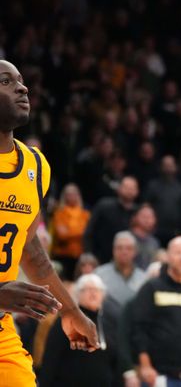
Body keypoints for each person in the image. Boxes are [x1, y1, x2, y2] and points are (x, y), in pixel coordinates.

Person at [0, 60, 99, 385]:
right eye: (5, 81)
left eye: (21, 80)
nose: (22, 87)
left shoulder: (35, 166)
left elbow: (29, 246)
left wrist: (70, 310)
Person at [131, 236, 181, 386]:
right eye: (177, 252)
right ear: (167, 256)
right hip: (160, 375)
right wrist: (145, 365)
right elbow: (138, 328)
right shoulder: (152, 288)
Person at [38, 274, 119, 387]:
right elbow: (51, 357)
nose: (93, 293)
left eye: (97, 289)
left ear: (103, 295)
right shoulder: (68, 320)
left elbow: (116, 359)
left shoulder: (110, 321)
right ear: (77, 295)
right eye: (87, 289)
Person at [83, 175, 140, 264]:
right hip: (100, 259)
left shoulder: (138, 212)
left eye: (132, 188)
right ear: (119, 189)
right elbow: (89, 232)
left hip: (130, 261)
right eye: (126, 187)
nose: (129, 191)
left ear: (137, 191)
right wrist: (89, 255)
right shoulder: (104, 206)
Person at [94, 231, 148, 311]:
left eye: (129, 248)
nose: (124, 252)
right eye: (120, 248)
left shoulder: (144, 278)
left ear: (135, 251)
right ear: (113, 250)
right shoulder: (99, 275)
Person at [48, 183, 91, 278]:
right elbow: (62, 235)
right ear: (64, 196)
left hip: (81, 254)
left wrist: (69, 231)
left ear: (78, 196)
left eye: (74, 194)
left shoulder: (85, 214)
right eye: (68, 194)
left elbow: (88, 233)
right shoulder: (59, 214)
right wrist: (80, 231)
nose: (71, 196)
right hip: (62, 255)